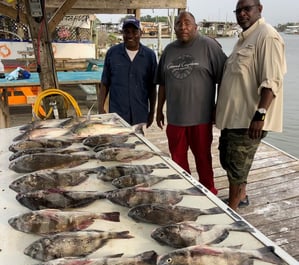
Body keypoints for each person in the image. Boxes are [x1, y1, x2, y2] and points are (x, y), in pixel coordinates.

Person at [216, 0, 287, 211]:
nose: (242, 14)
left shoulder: (267, 36)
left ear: (259, 9)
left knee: (237, 166)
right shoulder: (244, 39)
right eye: (238, 11)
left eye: (247, 9)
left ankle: (232, 211)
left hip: (248, 118)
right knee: (228, 160)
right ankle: (242, 196)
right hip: (233, 117)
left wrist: (261, 114)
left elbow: (272, 80)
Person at [155, 11, 227, 195]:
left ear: (196, 27)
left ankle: (209, 192)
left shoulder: (209, 46)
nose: (183, 27)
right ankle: (184, 192)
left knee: (203, 158)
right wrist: (158, 109)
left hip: (201, 118)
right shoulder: (169, 50)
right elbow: (162, 82)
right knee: (177, 160)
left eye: (187, 23)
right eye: (178, 24)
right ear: (174, 28)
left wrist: (218, 106)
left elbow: (225, 80)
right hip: (175, 118)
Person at [98, 17, 157, 134]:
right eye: (126, 32)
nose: (130, 35)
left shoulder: (150, 56)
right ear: (122, 33)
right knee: (117, 148)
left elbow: (152, 87)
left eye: (134, 32)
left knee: (138, 148)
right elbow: (105, 83)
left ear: (140, 33)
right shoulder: (112, 53)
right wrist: (100, 108)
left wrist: (152, 112)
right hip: (117, 115)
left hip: (139, 114)